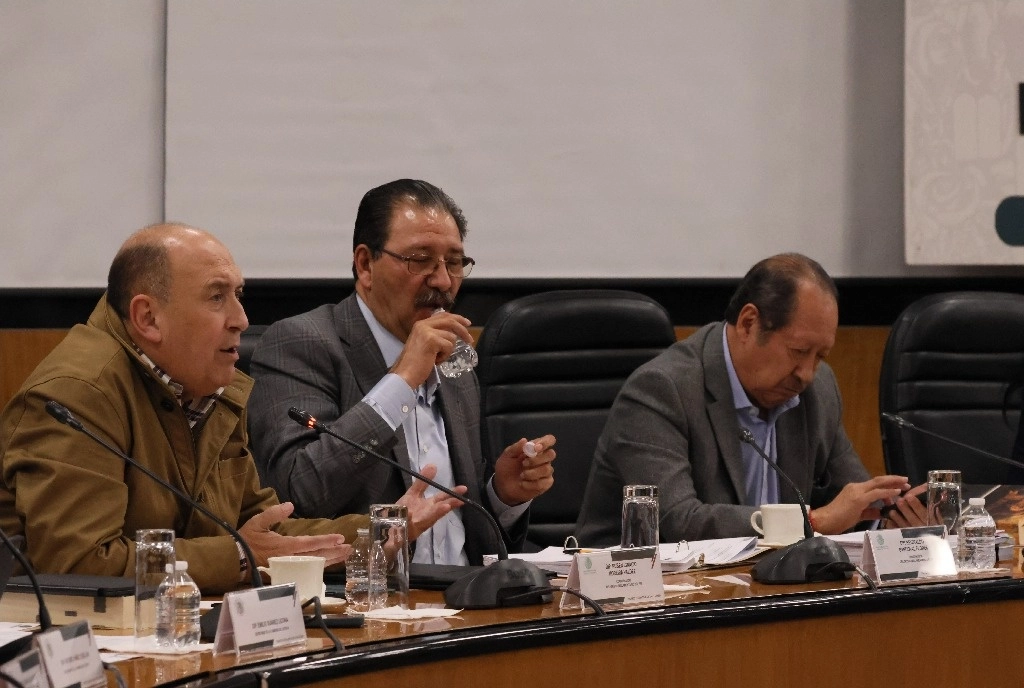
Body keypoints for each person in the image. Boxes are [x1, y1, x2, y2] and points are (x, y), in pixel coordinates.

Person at [0, 223, 461, 594]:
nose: (241, 318)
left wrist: (377, 531)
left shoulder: (207, 388)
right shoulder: (78, 394)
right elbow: (78, 564)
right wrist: (240, 556)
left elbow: (263, 526)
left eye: (238, 295)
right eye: (217, 296)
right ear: (147, 318)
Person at [247, 179, 556, 566]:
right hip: (363, 605)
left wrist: (503, 496)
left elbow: (462, 528)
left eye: (454, 262)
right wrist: (401, 380)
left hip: (461, 602)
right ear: (365, 264)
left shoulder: (456, 366)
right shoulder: (301, 343)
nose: (443, 281)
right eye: (419, 260)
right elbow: (299, 494)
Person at [576, 253, 926, 545]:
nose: (806, 372)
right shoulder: (662, 389)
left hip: (763, 594)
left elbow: (849, 500)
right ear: (748, 323)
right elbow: (676, 520)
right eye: (799, 351)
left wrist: (888, 517)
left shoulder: (817, 390)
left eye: (821, 356)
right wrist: (812, 521)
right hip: (635, 601)